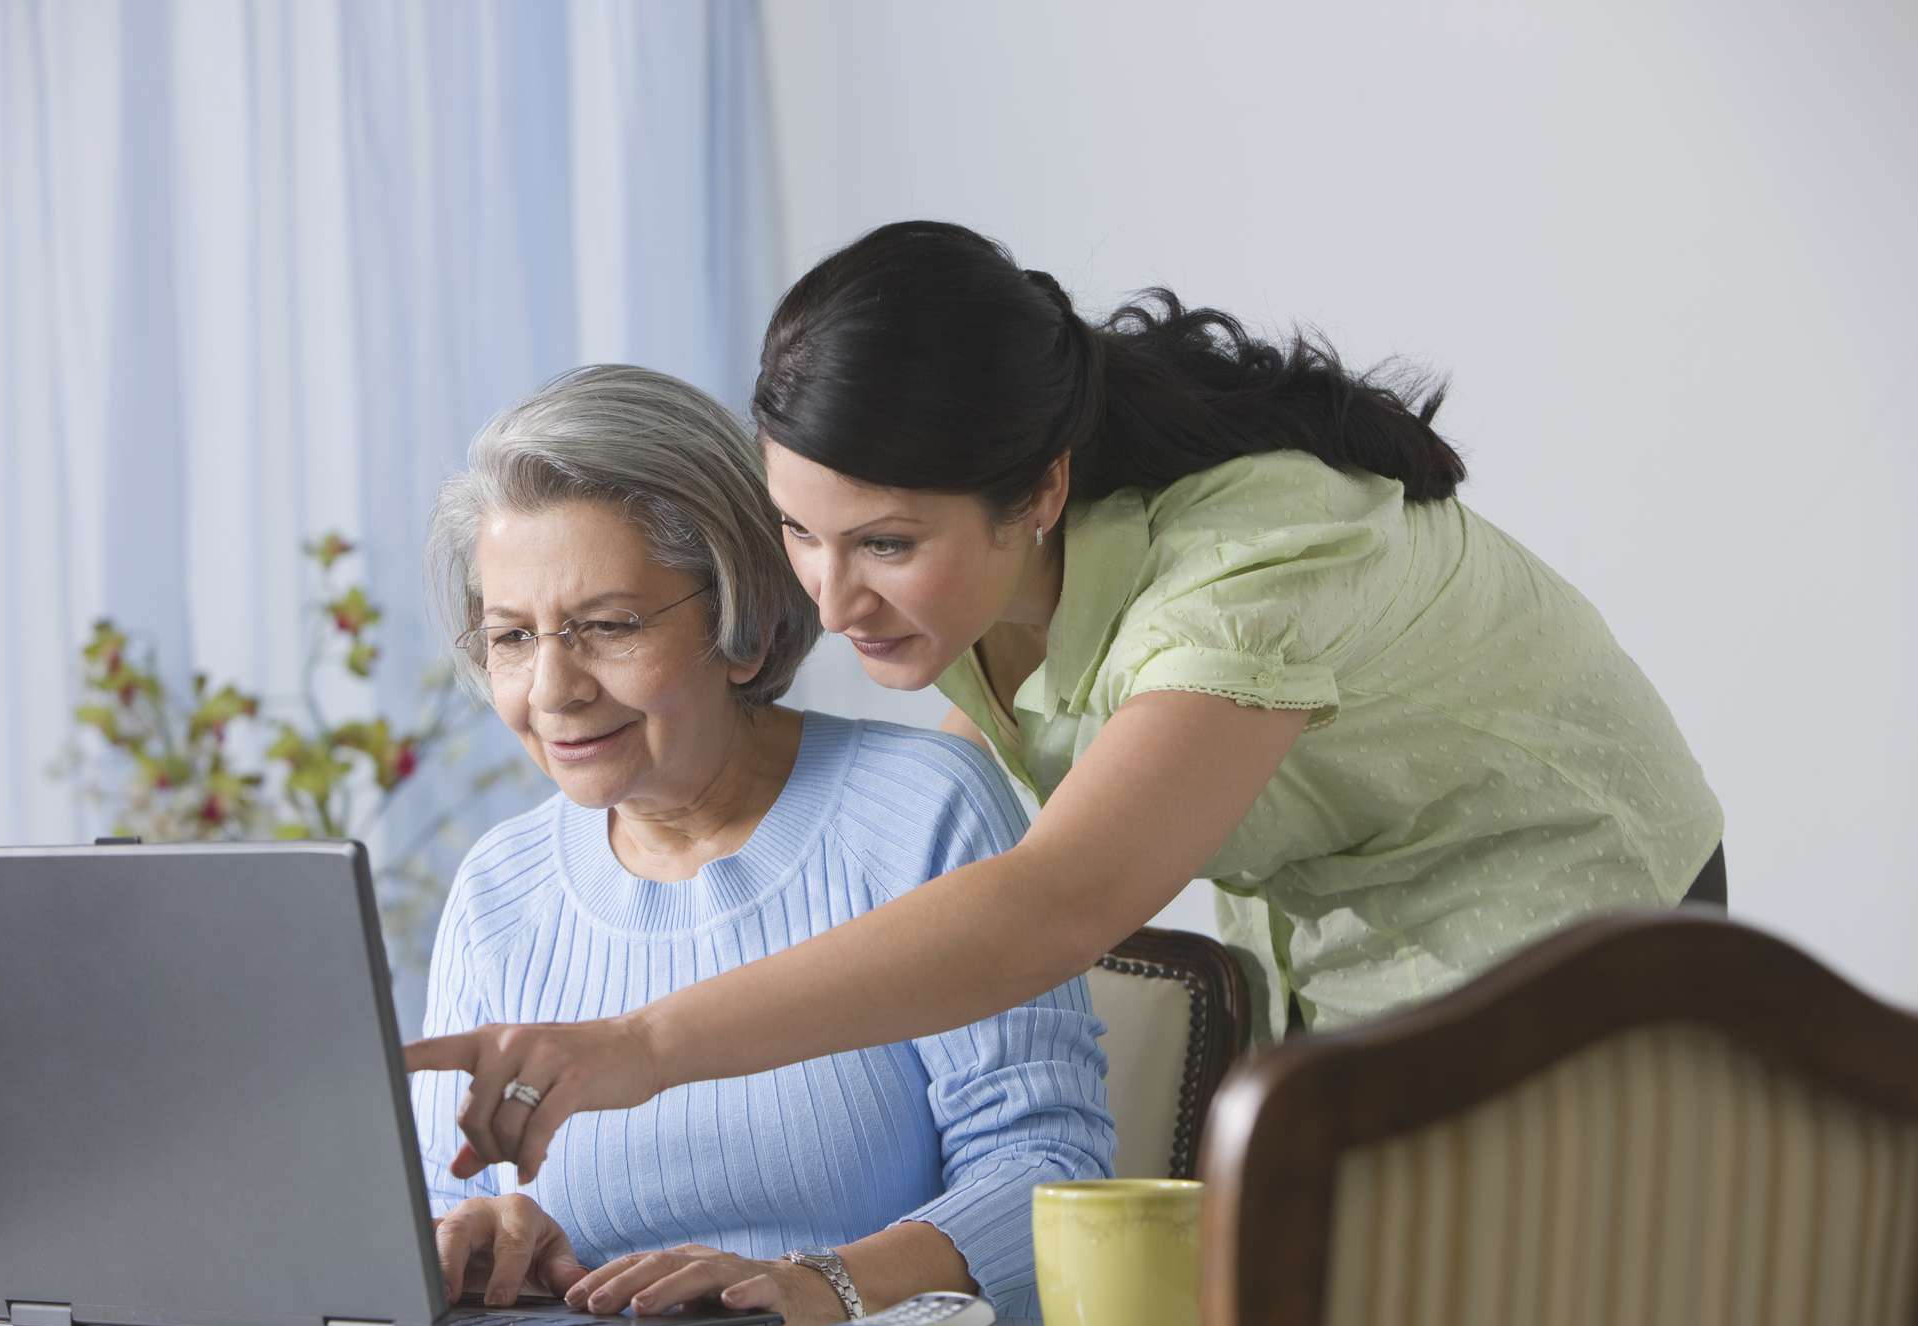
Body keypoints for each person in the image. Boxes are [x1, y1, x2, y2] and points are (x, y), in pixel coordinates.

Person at [410, 219, 1725, 1184]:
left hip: (1578, 928)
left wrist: (644, 1043)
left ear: (1037, 490)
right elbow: (933, 889)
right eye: (800, 533)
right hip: (1342, 946)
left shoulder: (1245, 567)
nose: (832, 595)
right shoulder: (971, 608)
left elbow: (1053, 902)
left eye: (882, 542)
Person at [402, 364, 1114, 1326]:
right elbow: (444, 1211)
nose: (553, 689)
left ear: (741, 622)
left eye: (607, 626)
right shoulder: (499, 886)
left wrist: (820, 1285)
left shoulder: (919, 810)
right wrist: (485, 1234)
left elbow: (1051, 1165)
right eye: (512, 637)